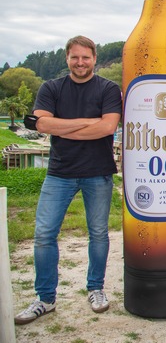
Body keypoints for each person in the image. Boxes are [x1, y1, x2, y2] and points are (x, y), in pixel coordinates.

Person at [15, 36, 122, 324]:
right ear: (67, 59)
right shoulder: (51, 88)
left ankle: (96, 288)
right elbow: (41, 123)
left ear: (95, 59)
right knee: (44, 234)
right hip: (59, 172)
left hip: (98, 172)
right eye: (75, 57)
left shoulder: (109, 88)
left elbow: (108, 127)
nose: (80, 62)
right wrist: (88, 122)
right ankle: (45, 298)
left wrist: (61, 127)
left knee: (98, 234)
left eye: (85, 57)